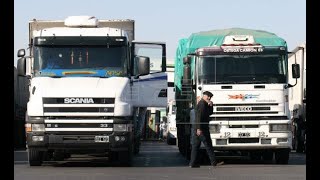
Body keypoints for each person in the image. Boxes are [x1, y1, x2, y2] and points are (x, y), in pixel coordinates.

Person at [189, 91, 224, 168]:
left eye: (210, 97)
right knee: (208, 145)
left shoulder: (204, 104)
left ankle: (192, 163)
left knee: (195, 146)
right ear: (204, 96)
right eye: (208, 96)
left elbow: (209, 113)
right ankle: (214, 162)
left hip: (198, 128)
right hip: (202, 128)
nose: (209, 98)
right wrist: (199, 128)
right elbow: (199, 117)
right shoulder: (202, 104)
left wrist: (211, 105)